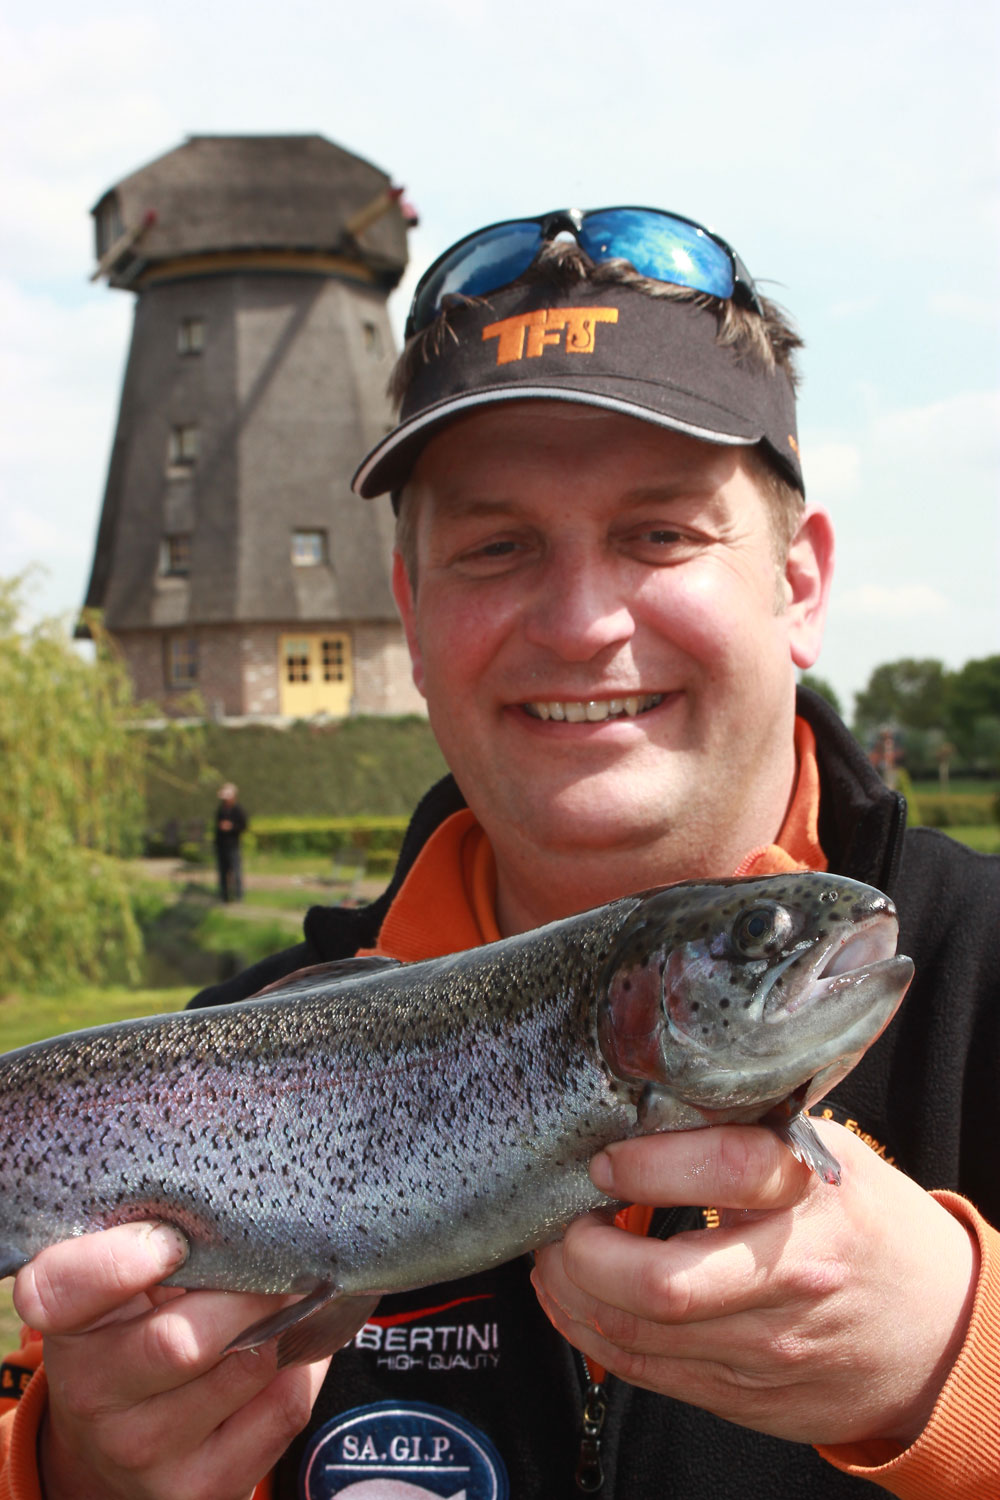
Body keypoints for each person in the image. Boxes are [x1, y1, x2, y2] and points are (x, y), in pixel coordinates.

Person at [2, 206, 998, 1500]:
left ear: (799, 583)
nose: (583, 624)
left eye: (661, 533)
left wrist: (963, 1372)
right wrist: (72, 1472)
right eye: (497, 546)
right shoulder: (225, 1052)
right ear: (410, 614)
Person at [214, 781, 248, 902]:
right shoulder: (221, 810)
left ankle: (239, 896)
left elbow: (244, 826)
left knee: (236, 870)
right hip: (222, 845)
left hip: (233, 845)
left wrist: (231, 827)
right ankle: (224, 896)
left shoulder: (238, 810)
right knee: (223, 871)